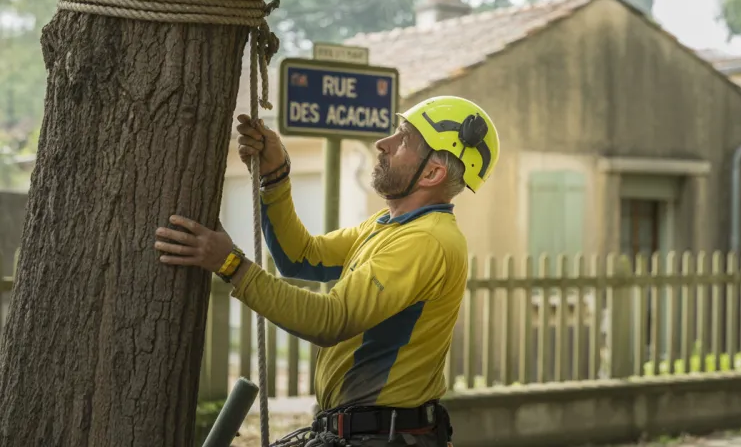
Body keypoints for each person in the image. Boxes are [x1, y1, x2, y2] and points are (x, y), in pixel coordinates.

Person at [154, 95, 500, 446]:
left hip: (384, 437)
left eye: (404, 139)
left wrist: (230, 264)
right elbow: (302, 256)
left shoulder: (427, 241)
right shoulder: (389, 225)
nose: (383, 144)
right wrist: (276, 175)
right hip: (365, 432)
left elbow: (330, 319)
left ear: (432, 172)